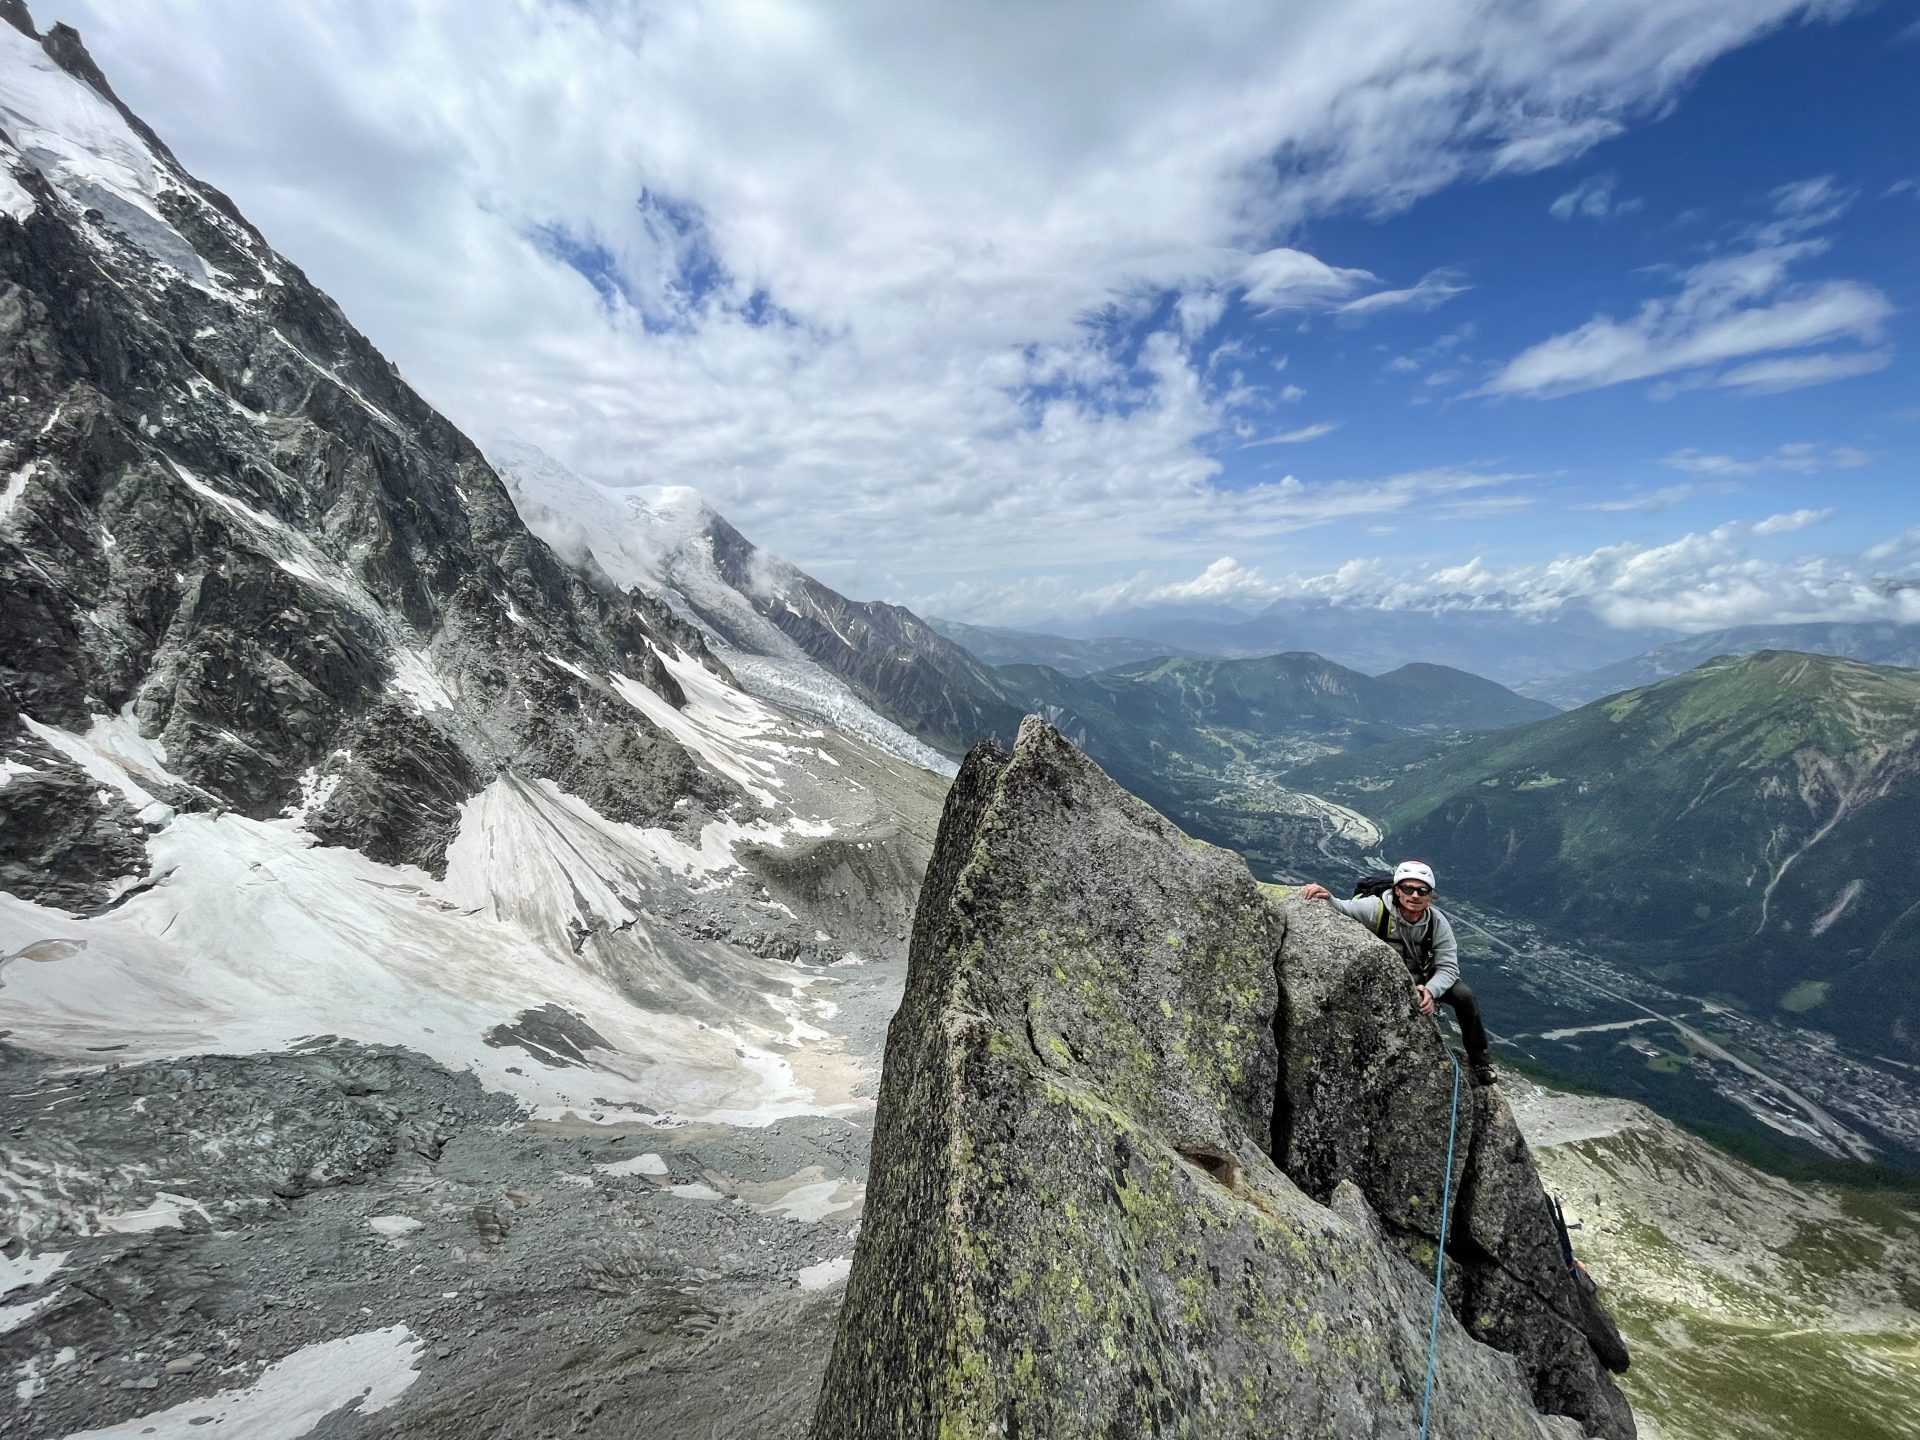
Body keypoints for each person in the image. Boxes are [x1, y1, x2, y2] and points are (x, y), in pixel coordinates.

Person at [1298, 860, 1496, 1087]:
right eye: (1408, 889)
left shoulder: (1437, 923)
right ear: (1396, 891)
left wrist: (1430, 991)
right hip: (1386, 977)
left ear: (1431, 896)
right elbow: (1343, 908)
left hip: (1422, 979)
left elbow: (1449, 967)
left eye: (1422, 891)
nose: (1415, 895)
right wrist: (1327, 896)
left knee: (1464, 996)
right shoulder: (1376, 908)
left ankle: (1479, 1059)